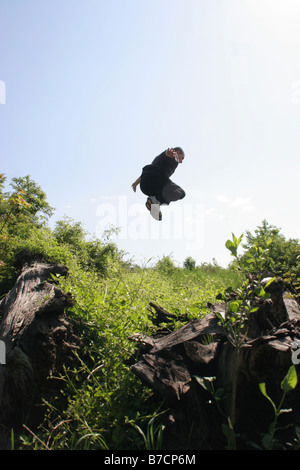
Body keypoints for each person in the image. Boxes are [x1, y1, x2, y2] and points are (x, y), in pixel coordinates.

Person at [131, 147, 186, 221]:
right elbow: (169, 155)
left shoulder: (158, 159)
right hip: (156, 180)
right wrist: (169, 154)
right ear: (178, 151)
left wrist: (135, 183)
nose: (181, 161)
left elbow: (146, 174)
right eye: (182, 158)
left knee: (164, 186)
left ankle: (155, 202)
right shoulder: (174, 155)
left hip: (145, 185)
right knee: (181, 193)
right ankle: (156, 200)